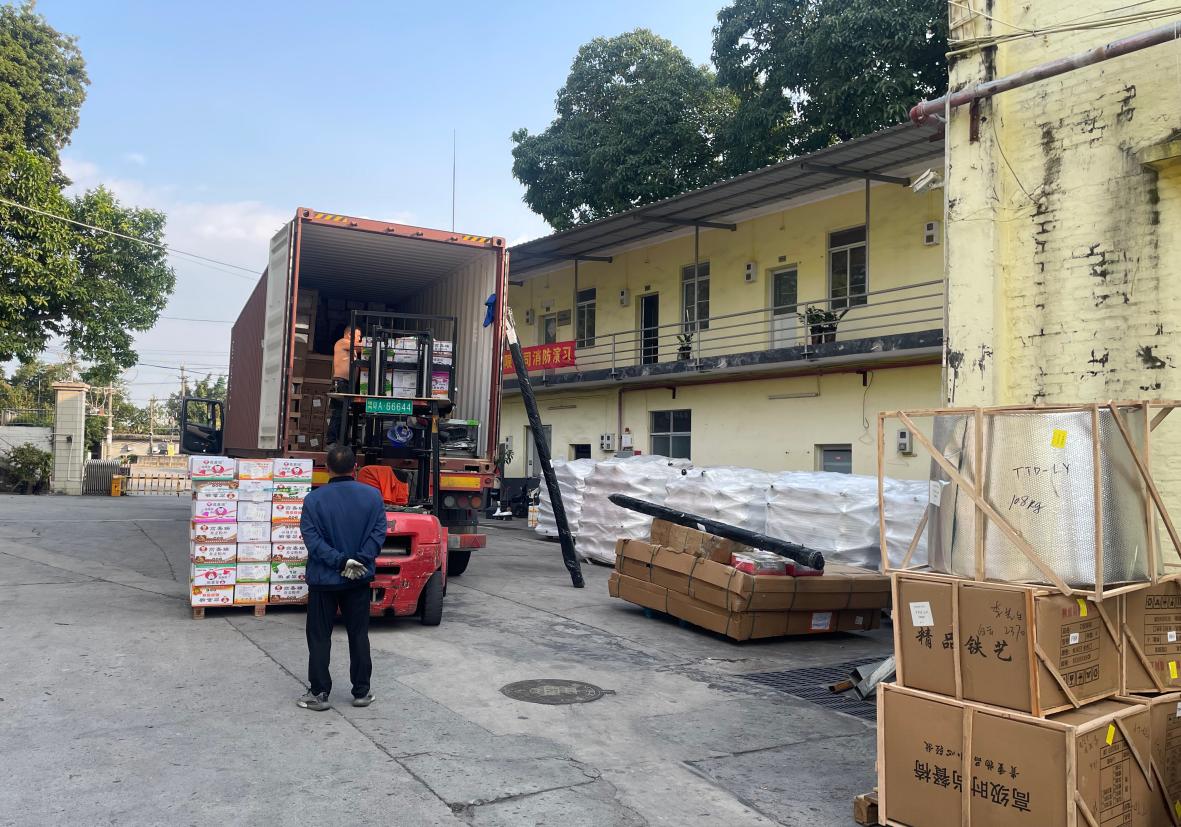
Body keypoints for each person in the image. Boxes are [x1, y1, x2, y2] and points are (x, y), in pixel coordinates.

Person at [297, 444, 386, 711]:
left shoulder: (313, 500)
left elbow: (313, 541)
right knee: (358, 634)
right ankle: (361, 692)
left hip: (323, 580)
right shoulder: (373, 497)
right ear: (355, 468)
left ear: (327, 469)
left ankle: (319, 693)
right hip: (358, 579)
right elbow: (378, 534)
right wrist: (358, 560)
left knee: (319, 636)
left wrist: (339, 561)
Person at [327, 326, 362, 445]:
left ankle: (342, 441)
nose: (359, 339)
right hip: (341, 382)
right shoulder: (342, 342)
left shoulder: (352, 349)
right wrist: (371, 343)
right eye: (358, 336)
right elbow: (361, 347)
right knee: (339, 412)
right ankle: (331, 441)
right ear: (350, 335)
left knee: (346, 413)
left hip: (348, 384)